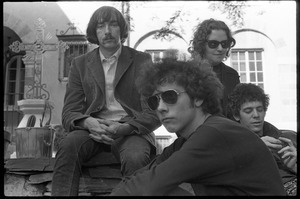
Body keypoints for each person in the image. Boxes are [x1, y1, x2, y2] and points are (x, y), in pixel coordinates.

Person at [110, 59, 285, 196]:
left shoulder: (215, 133)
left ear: (198, 97)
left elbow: (149, 186)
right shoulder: (184, 143)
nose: (160, 107)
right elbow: (136, 180)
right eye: (155, 100)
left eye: (170, 96)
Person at [51, 6, 161, 196]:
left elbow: (153, 112)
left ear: (122, 30)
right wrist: (88, 122)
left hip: (131, 130)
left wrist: (123, 128)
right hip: (92, 130)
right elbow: (69, 112)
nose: (107, 32)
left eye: (113, 25)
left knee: (135, 157)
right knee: (68, 146)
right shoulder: (80, 64)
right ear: (94, 32)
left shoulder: (142, 60)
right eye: (101, 26)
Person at [227, 83, 297, 196]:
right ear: (236, 115)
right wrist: (254, 148)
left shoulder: (288, 138)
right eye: (248, 111)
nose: (256, 115)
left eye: (260, 109)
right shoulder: (229, 145)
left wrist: (294, 167)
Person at [188, 18, 240, 117]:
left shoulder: (232, 75)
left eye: (224, 44)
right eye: (213, 44)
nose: (220, 49)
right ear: (202, 45)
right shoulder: (187, 73)